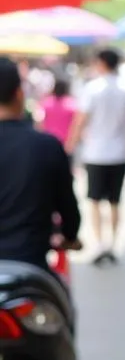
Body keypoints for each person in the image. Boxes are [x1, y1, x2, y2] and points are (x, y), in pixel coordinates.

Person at [0, 57, 80, 271]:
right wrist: (70, 236)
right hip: (29, 268)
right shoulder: (47, 146)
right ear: (19, 94)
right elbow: (68, 208)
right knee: (60, 302)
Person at [66, 49, 125, 265]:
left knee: (95, 201)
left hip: (96, 153)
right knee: (116, 201)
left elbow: (81, 120)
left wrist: (70, 145)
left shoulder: (92, 88)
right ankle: (113, 244)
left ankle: (100, 244)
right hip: (120, 152)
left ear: (100, 63)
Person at [37, 78, 77, 149]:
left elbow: (39, 123)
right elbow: (75, 125)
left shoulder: (46, 103)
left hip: (48, 142)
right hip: (65, 143)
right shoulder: (72, 104)